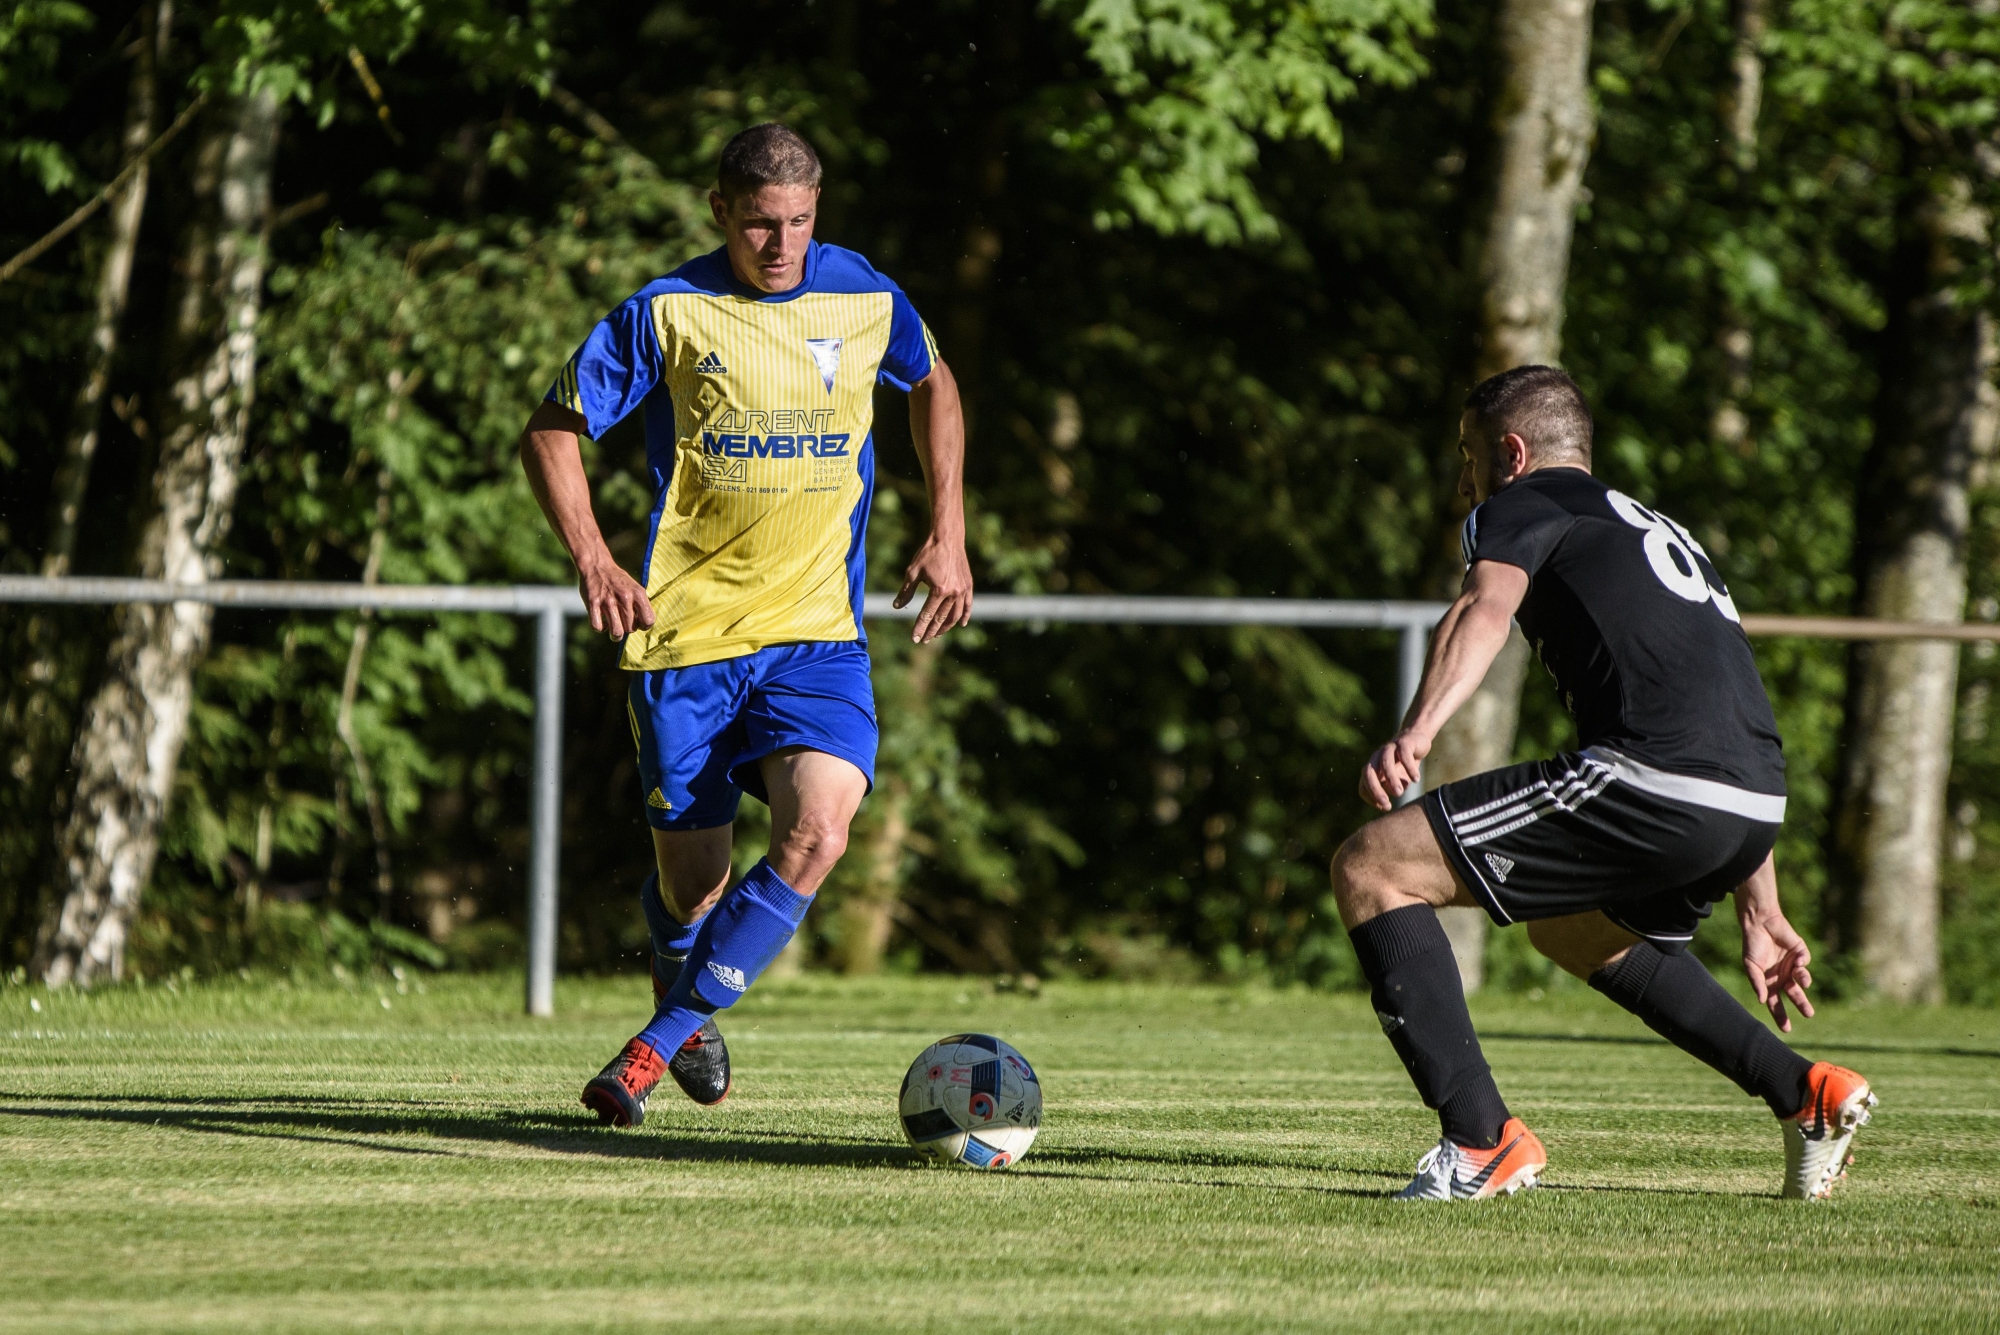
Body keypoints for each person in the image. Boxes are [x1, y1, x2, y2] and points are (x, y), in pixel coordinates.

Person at [519, 123, 972, 1127]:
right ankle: (680, 977)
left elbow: (933, 381)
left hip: (816, 636)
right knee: (695, 888)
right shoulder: (666, 313)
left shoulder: (862, 295)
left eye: (800, 222)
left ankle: (652, 1048)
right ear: (718, 209)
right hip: (685, 643)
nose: (781, 244)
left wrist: (947, 524)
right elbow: (550, 430)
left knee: (819, 831)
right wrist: (594, 560)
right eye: (761, 222)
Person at [1332, 365, 1874, 1201]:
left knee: (1373, 867)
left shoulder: (1519, 504)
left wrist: (1418, 731)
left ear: (1512, 453)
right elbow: (1718, 709)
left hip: (1657, 779)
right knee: (1568, 929)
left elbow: (1482, 609)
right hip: (1754, 796)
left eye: (1472, 458)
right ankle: (1804, 1093)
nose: (1468, 480)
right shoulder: (1658, 531)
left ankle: (1481, 1141)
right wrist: (1760, 905)